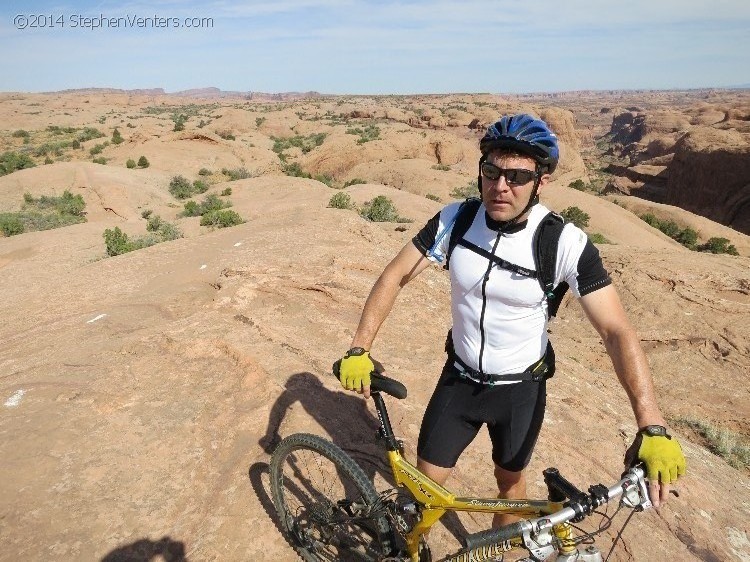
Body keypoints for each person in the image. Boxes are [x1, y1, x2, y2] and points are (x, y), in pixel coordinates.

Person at [337, 113, 686, 526]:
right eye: (491, 171)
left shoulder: (562, 242)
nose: (500, 186)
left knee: (510, 486)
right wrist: (360, 346)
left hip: (520, 391)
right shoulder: (457, 220)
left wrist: (651, 423)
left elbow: (615, 329)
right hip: (460, 380)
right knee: (423, 483)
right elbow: (395, 274)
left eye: (517, 177)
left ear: (541, 181)